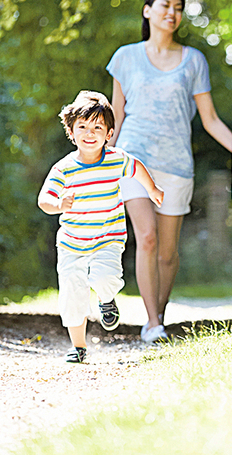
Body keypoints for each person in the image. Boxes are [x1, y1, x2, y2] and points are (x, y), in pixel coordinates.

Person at [107, 0, 232, 343]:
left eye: (177, 7)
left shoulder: (193, 61)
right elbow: (116, 115)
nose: (171, 13)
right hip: (132, 157)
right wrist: (96, 160)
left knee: (168, 253)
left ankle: (158, 313)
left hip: (176, 164)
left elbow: (211, 120)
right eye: (164, 5)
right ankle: (152, 322)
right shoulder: (125, 58)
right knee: (146, 237)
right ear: (147, 11)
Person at [38, 90, 164, 363]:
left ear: (109, 133)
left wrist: (151, 189)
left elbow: (137, 167)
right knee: (72, 293)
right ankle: (79, 347)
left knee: (105, 278)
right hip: (72, 243)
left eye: (97, 127)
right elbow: (44, 200)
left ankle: (107, 299)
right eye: (82, 126)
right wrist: (59, 204)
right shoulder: (64, 168)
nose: (89, 132)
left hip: (108, 237)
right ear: (71, 132)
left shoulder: (116, 159)